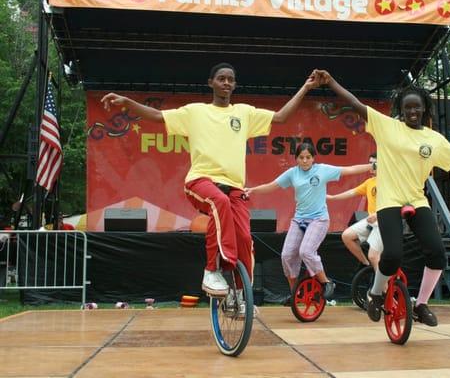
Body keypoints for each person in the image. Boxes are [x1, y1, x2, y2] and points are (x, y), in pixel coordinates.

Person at [315, 70, 450, 326]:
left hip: (416, 200)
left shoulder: (433, 139)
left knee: (437, 254)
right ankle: (375, 293)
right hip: (390, 201)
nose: (412, 112)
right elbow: (355, 103)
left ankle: (421, 304)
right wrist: (331, 81)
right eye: (407, 108)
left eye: (417, 107)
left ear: (424, 109)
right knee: (391, 255)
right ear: (401, 110)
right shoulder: (386, 126)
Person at [101, 63, 321, 298]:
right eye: (221, 78)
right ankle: (211, 271)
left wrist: (306, 88)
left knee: (245, 238)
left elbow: (281, 117)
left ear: (234, 85)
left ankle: (239, 294)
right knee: (219, 202)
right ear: (211, 83)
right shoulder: (195, 112)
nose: (226, 82)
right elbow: (157, 116)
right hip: (201, 181)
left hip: (234, 188)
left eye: (231, 79)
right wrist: (127, 102)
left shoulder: (244, 113)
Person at [246, 143, 371, 300]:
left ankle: (326, 282)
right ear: (296, 159)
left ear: (313, 158)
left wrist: (370, 166)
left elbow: (349, 170)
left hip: (319, 219)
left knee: (306, 251)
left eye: (308, 157)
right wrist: (252, 190)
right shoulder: (292, 173)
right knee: (287, 255)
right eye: (301, 157)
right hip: (299, 220)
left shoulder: (322, 170)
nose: (305, 161)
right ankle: (294, 292)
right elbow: (272, 186)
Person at [327, 153, 382, 270]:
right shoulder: (369, 182)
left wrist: (377, 215)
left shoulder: (390, 182)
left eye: (374, 164)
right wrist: (332, 197)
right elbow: (352, 192)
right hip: (372, 222)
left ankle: (382, 287)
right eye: (369, 163)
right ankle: (365, 265)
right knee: (347, 236)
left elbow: (395, 204)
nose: (371, 167)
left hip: (385, 221)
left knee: (373, 256)